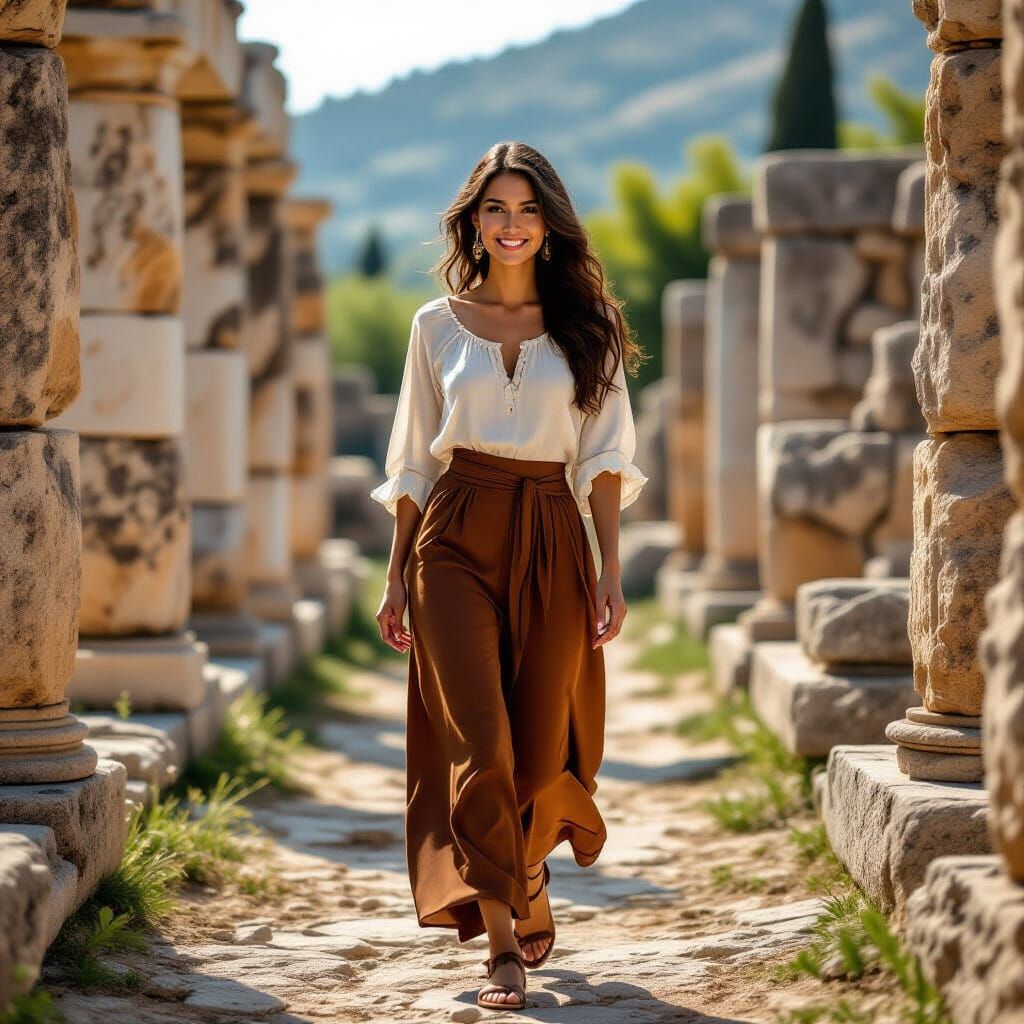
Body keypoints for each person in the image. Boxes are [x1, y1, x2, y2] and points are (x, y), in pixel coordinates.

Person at [370, 140, 649, 1011]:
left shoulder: (590, 324)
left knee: (538, 754)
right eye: (496, 208)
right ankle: (501, 948)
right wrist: (393, 577)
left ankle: (525, 872)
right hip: (452, 535)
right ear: (473, 221)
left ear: (551, 224)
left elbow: (603, 460)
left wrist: (609, 570)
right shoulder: (433, 325)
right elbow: (414, 459)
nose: (513, 224)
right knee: (479, 748)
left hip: (554, 539)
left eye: (528, 209)